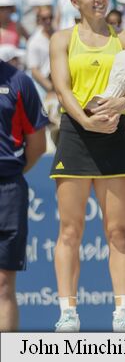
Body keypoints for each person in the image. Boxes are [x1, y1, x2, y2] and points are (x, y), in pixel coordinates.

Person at [48, 0, 125, 332]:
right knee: (70, 232)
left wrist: (123, 106)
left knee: (117, 232)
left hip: (114, 136)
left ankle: (124, 315)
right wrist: (86, 122)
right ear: (75, 1)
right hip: (75, 133)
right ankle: (68, 313)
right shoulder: (61, 39)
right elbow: (62, 89)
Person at [0, 47, 47, 332]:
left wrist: (10, 173)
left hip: (8, 190)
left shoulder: (19, 81)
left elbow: (37, 146)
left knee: (3, 284)